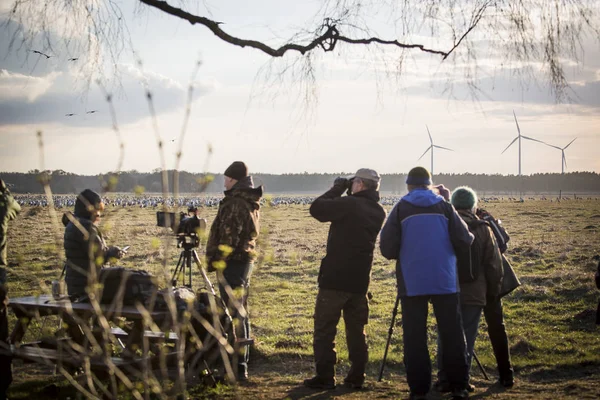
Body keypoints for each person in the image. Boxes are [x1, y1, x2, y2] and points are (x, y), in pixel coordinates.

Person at [379, 167, 474, 400]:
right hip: (445, 280)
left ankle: (418, 389)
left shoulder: (400, 207)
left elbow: (387, 248)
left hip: (412, 283)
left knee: (414, 337)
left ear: (408, 186)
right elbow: (465, 239)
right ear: (429, 185)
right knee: (452, 334)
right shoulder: (445, 206)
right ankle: (458, 385)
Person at [303, 168, 386, 390]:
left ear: (359, 184)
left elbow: (317, 209)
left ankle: (324, 376)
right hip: (360, 281)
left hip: (335, 279)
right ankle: (357, 376)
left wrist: (337, 188)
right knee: (357, 331)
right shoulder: (379, 211)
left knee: (325, 329)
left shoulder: (350, 205)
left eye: (353, 183)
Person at [435, 187, 503, 393]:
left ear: (453, 204)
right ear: (473, 204)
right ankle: (461, 383)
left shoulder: (444, 225)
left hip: (446, 290)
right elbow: (493, 263)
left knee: (444, 336)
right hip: (474, 292)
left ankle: (444, 379)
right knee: (467, 337)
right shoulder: (483, 228)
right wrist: (493, 289)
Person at [206, 161, 262, 381]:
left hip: (233, 263)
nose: (224, 182)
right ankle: (241, 363)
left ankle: (237, 367)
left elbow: (229, 238)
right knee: (240, 311)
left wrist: (216, 261)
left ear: (233, 180)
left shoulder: (236, 203)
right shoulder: (247, 200)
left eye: (226, 178)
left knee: (234, 313)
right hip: (242, 262)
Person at [476, 207, 518, 388]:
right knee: (497, 327)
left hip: (470, 284)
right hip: (494, 281)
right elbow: (504, 243)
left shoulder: (455, 219)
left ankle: (456, 377)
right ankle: (506, 374)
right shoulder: (484, 216)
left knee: (460, 328)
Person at [63, 189, 124, 299]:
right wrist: (115, 251)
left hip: (76, 282)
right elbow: (99, 255)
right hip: (87, 284)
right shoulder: (85, 227)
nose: (99, 214)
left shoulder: (73, 223)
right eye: (97, 210)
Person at [0, 178, 21, 400]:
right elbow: (15, 205)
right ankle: (3, 385)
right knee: (1, 333)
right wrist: (4, 188)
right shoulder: (3, 205)